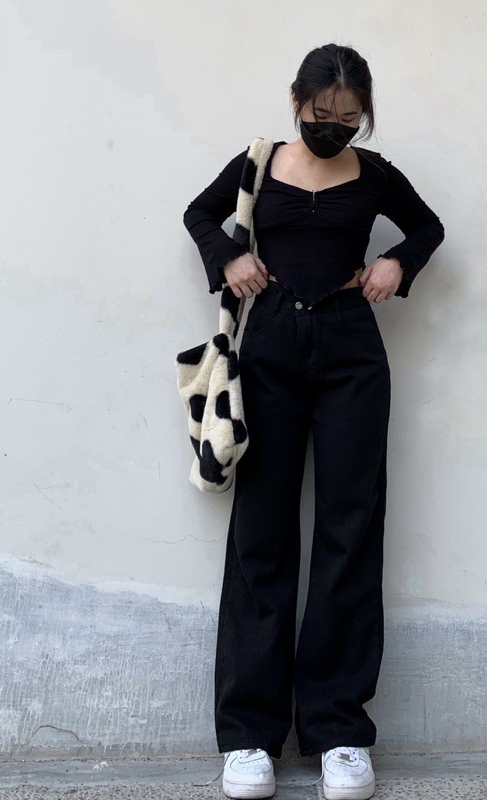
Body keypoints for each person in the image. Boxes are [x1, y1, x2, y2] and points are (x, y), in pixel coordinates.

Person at [182, 43, 445, 800]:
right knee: (261, 531)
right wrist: (228, 257)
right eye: (322, 114)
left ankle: (338, 732)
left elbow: (426, 228)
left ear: (364, 115)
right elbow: (199, 215)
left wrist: (398, 263)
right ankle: (248, 737)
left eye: (349, 118)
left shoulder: (377, 174)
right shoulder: (258, 163)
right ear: (296, 100)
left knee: (349, 528)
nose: (334, 128)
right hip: (267, 346)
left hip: (351, 349)